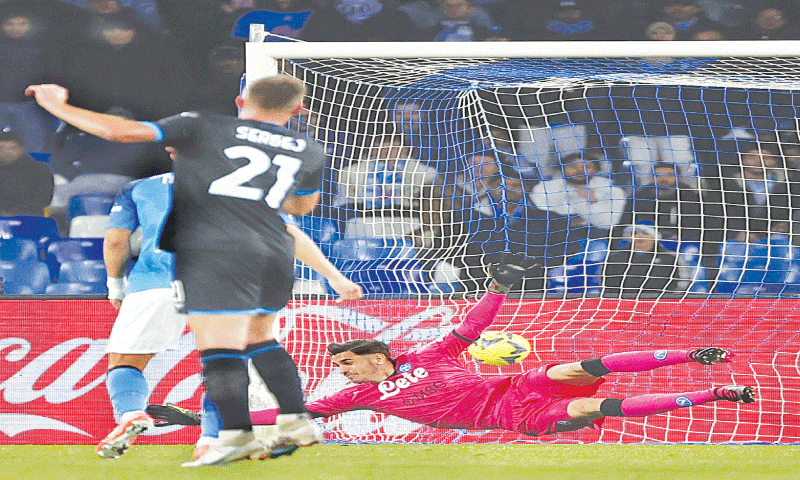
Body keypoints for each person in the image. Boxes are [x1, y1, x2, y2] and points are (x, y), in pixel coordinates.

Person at [26, 74, 326, 466]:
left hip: (177, 270)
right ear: (298, 110)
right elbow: (300, 210)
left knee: (159, 358)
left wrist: (55, 105)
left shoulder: (196, 135)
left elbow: (116, 227)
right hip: (255, 262)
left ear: (240, 102)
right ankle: (248, 430)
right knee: (246, 346)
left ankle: (147, 417)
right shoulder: (304, 152)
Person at [149, 253, 756, 439]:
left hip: (513, 385)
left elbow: (469, 329)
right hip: (513, 418)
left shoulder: (424, 358)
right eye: (341, 367)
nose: (344, 373)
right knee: (597, 406)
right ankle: (714, 394)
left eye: (348, 362)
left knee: (580, 365)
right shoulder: (359, 399)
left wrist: (499, 289)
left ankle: (690, 355)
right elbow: (289, 413)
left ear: (375, 355)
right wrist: (206, 418)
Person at [96, 171, 363, 459]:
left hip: (154, 282)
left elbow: (116, 241)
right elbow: (287, 233)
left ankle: (131, 413)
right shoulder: (246, 182)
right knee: (224, 364)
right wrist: (334, 277)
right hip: (224, 283)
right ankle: (211, 439)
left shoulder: (139, 187)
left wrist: (116, 286)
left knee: (126, 361)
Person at [0, 129, 54, 216]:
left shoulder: (39, 169)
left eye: (11, 148)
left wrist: (16, 212)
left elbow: (44, 198)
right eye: (1, 148)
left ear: (21, 149)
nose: (6, 152)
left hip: (29, 216)